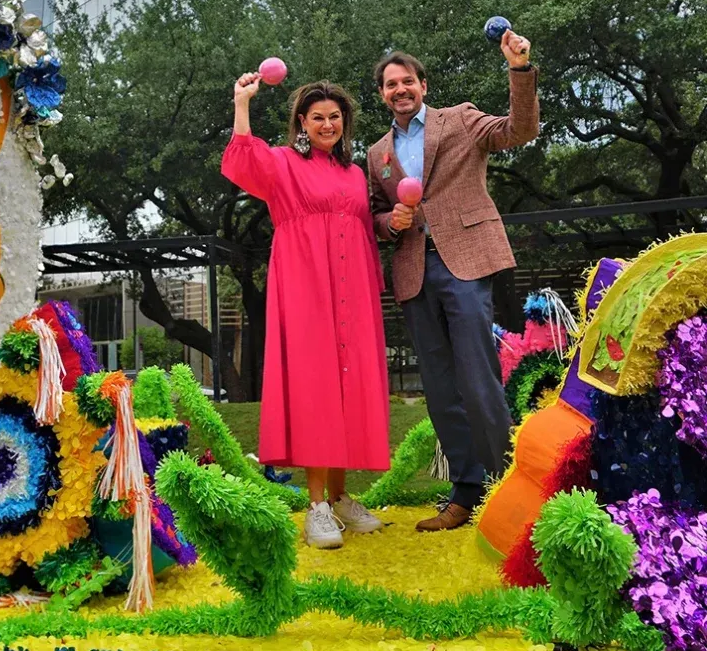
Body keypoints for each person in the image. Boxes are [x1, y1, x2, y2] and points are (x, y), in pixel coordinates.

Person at [368, 30, 539, 532]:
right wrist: (388, 223)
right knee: (441, 390)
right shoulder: (377, 153)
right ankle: (465, 492)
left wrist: (519, 70)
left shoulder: (460, 119)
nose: (400, 89)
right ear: (382, 93)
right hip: (414, 272)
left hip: (464, 261)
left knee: (478, 379)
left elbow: (518, 130)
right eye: (390, 84)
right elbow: (376, 215)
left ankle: (512, 486)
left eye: (407, 81)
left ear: (423, 84)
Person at [222, 73, 390, 549]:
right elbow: (241, 161)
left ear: (345, 123)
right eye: (318, 117)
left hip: (352, 291)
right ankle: (315, 507)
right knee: (316, 386)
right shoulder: (283, 164)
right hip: (304, 286)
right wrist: (242, 103)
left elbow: (363, 228)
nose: (327, 124)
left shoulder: (356, 175)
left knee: (347, 385)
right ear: (302, 122)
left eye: (335, 117)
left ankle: (339, 497)